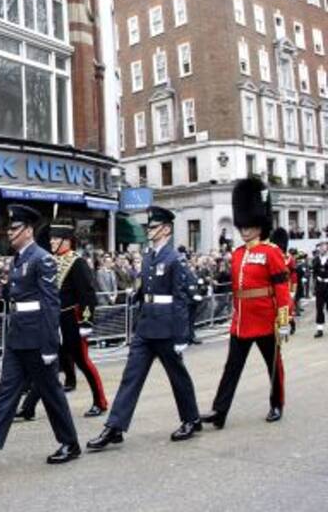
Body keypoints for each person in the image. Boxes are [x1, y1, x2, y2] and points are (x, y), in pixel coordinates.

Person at [0, 204, 80, 469]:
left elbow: (51, 304)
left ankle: (70, 443)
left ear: (28, 231)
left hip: (38, 338)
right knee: (6, 392)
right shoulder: (17, 259)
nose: (10, 232)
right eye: (10, 227)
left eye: (15, 228)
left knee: (51, 392)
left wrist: (51, 344)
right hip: (18, 336)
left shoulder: (43, 259)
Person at [86, 206, 202, 451]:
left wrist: (182, 335)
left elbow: (180, 298)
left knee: (177, 377)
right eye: (148, 226)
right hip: (146, 325)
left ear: (166, 229)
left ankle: (191, 418)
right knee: (131, 377)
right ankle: (114, 427)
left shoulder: (174, 259)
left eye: (153, 227)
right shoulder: (149, 257)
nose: (149, 230)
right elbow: (143, 290)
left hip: (166, 327)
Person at [201, 177, 293, 428]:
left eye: (249, 225)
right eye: (242, 225)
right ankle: (220, 412)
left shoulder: (271, 252)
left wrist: (284, 320)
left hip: (265, 320)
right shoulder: (239, 253)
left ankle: (277, 403)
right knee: (231, 368)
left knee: (274, 366)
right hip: (241, 322)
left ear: (259, 224)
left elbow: (281, 288)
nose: (244, 229)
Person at [17, 220, 108, 419]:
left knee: (83, 362)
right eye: (51, 238)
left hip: (72, 320)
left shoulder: (77, 262)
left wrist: (86, 322)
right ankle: (29, 407)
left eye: (55, 238)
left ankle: (100, 402)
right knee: (47, 366)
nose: (51, 242)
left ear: (66, 241)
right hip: (54, 320)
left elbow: (87, 294)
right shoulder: (51, 261)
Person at [313, 240, 328, 338]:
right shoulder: (316, 259)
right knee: (319, 307)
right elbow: (314, 271)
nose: (322, 248)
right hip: (319, 286)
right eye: (321, 246)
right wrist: (316, 277)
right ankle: (319, 329)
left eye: (324, 246)